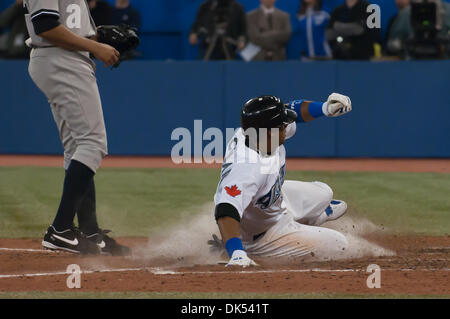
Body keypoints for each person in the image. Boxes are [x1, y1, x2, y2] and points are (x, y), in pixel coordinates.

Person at [24, 0, 130, 255]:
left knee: (77, 146)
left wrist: (102, 35)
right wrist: (96, 46)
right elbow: (46, 25)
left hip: (64, 58)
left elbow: (70, 24)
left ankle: (90, 232)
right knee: (92, 143)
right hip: (60, 58)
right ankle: (60, 229)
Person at [211, 93, 352, 267]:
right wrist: (237, 253)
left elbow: (293, 110)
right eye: (283, 125)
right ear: (270, 131)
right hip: (263, 235)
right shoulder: (247, 167)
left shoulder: (259, 133)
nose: (287, 126)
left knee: (324, 192)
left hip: (272, 202)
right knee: (340, 244)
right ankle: (246, 248)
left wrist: (325, 108)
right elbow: (226, 208)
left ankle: (311, 218)